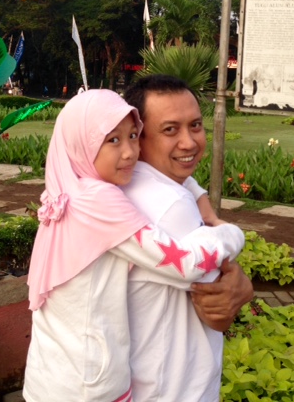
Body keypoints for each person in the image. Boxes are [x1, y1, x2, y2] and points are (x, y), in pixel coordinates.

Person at [23, 89, 244, 402]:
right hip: (90, 385)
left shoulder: (70, 189)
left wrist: (198, 194)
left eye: (132, 136)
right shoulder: (103, 201)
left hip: (49, 375)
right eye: (113, 140)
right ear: (82, 144)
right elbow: (188, 265)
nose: (129, 152)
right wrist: (231, 233)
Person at [123, 75, 254, 401]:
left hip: (145, 378)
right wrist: (232, 238)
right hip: (175, 387)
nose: (189, 142)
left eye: (195, 125)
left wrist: (199, 196)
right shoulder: (171, 206)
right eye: (170, 130)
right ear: (137, 137)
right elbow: (219, 300)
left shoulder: (120, 185)